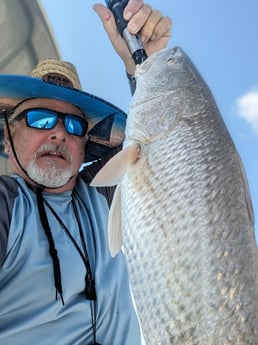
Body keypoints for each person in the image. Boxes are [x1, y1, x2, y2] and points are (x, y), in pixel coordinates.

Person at [0, 1, 171, 345]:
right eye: (41, 118)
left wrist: (145, 63)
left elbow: (163, 148)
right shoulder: (7, 205)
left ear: (83, 146)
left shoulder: (106, 192)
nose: (59, 133)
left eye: (74, 125)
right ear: (8, 135)